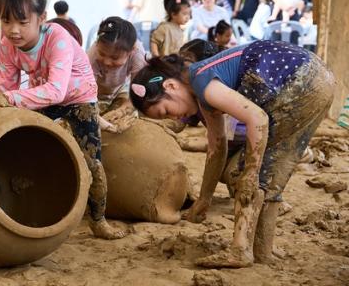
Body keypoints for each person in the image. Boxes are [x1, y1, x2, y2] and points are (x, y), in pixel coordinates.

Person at [130, 40, 334, 268]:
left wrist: (251, 171)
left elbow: (258, 119)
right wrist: (204, 198)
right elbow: (217, 149)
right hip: (320, 79)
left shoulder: (202, 79)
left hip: (300, 79)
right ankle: (263, 250)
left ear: (171, 86)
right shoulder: (203, 92)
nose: (173, 118)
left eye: (166, 111)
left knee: (243, 171)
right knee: (274, 172)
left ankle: (240, 249)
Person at [0, 0, 125, 240]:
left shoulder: (57, 37)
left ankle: (98, 219)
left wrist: (8, 97)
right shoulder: (8, 46)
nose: (13, 30)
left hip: (78, 96)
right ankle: (22, 206)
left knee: (92, 162)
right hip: (40, 94)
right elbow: (6, 90)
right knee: (23, 147)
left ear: (41, 18)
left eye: (22, 23)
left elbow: (56, 92)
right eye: (6, 21)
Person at [87, 17, 147, 133]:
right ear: (97, 43)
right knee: (88, 122)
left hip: (121, 89)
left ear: (131, 51)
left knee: (126, 119)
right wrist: (102, 122)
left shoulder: (137, 53)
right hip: (95, 93)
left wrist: (123, 110)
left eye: (115, 58)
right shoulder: (91, 56)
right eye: (102, 54)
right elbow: (86, 97)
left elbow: (138, 92)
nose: (107, 62)